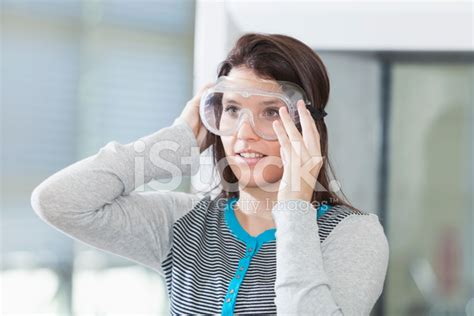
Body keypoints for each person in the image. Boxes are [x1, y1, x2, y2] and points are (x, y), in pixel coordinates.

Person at [31, 33, 389, 315]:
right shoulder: (184, 222)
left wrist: (295, 206)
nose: (244, 133)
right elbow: (58, 201)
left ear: (307, 126)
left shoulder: (353, 235)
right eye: (232, 109)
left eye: (269, 113)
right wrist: (178, 139)